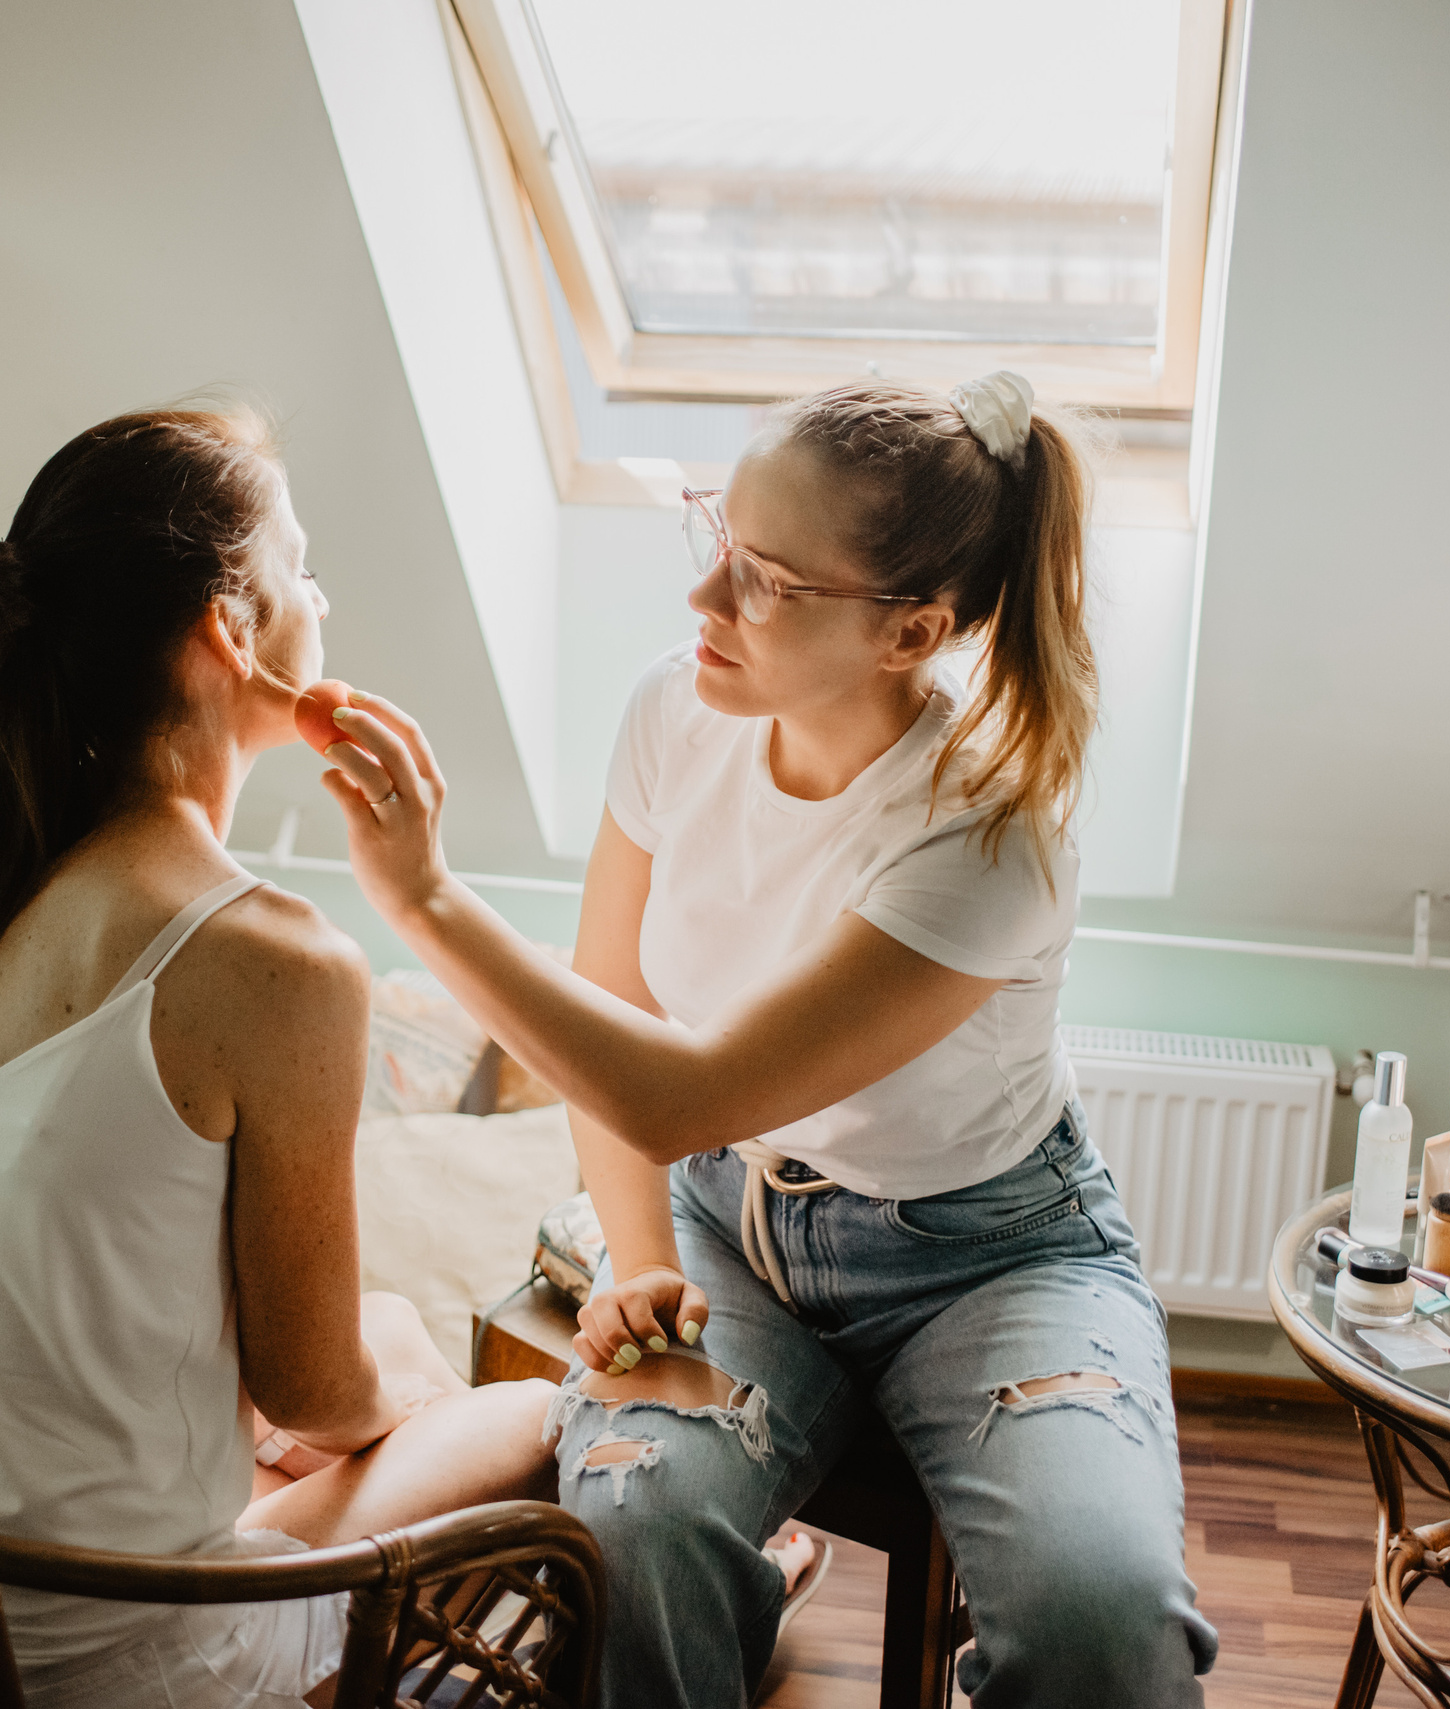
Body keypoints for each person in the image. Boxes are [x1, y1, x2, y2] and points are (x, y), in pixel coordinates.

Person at [314, 375, 1219, 1707]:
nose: (705, 603)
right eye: (715, 541)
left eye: (768, 583)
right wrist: (635, 1261)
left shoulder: (987, 830)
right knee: (630, 1525)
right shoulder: (671, 715)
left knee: (1104, 1618)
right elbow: (617, 1012)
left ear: (912, 631)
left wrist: (425, 899)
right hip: (731, 1227)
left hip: (993, 1258)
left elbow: (676, 1088)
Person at [0, 408, 559, 1707]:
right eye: (300, 568)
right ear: (230, 628)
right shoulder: (274, 960)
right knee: (542, 1413)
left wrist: (349, 1406)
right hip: (98, 1654)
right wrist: (392, 1418)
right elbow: (309, 1384)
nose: (323, 597)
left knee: (387, 1339)